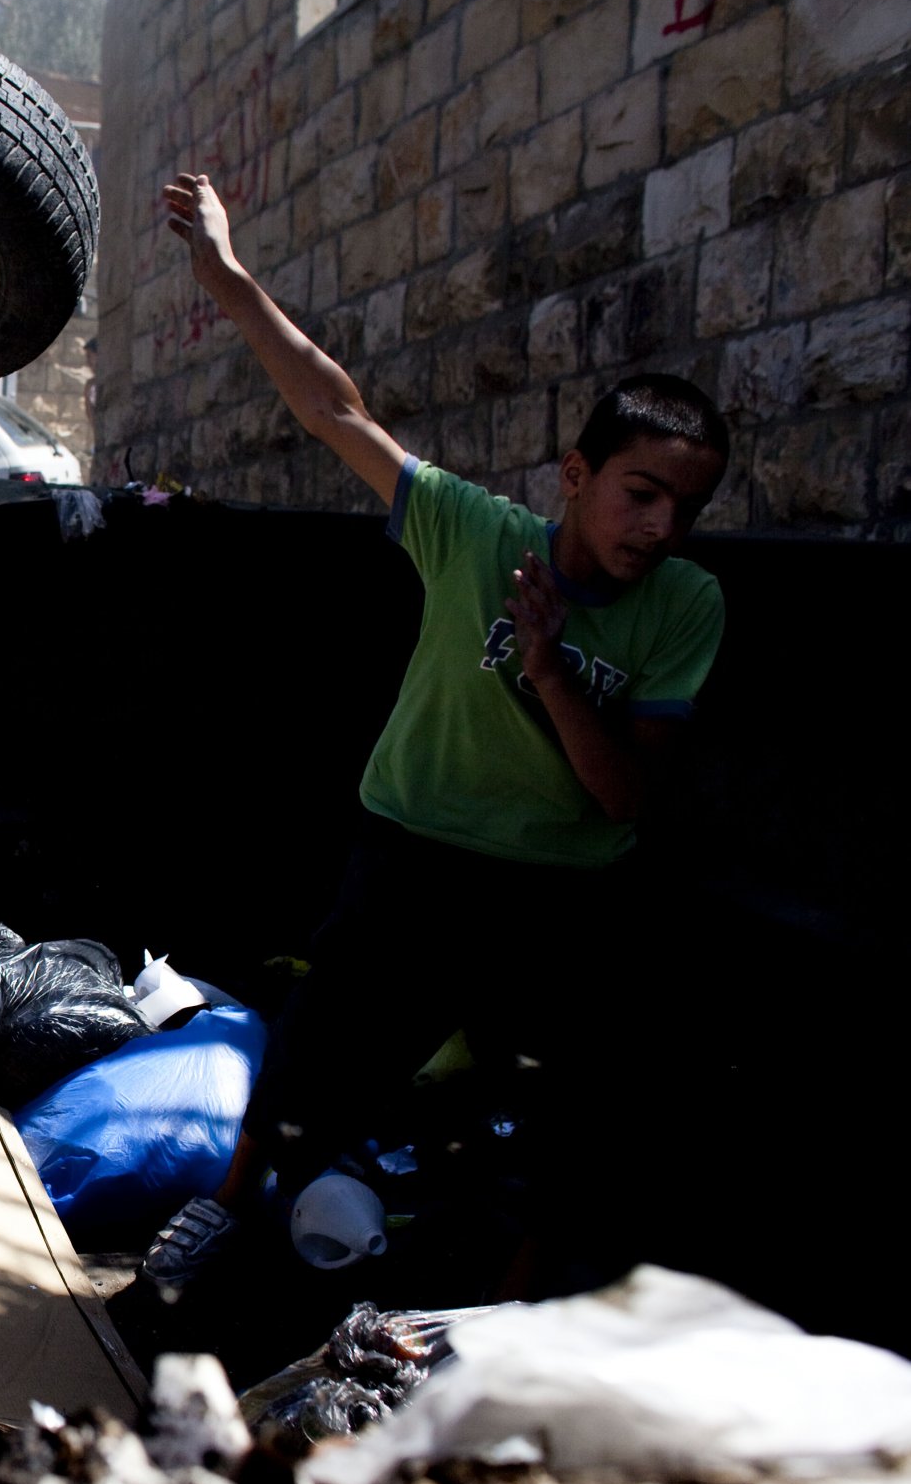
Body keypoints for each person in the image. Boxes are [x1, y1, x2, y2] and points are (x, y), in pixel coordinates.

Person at [139, 174, 731, 1296]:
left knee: (562, 1108)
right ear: (575, 477)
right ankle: (225, 1208)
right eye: (640, 493)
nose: (658, 526)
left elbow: (624, 798)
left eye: (681, 508)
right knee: (316, 1051)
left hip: (558, 892)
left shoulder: (685, 604)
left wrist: (550, 669)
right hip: (412, 853)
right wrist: (224, 273)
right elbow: (334, 409)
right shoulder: (473, 532)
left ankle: (509, 1299)